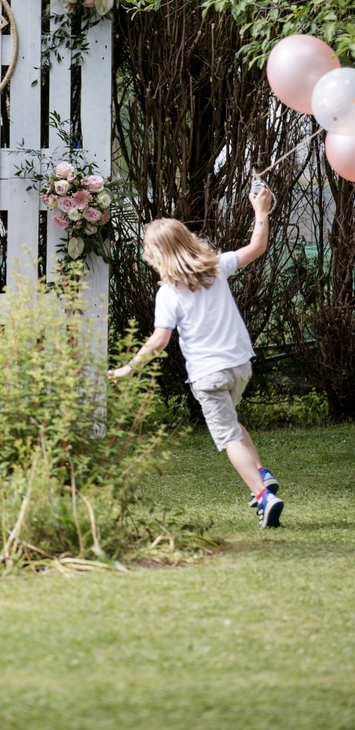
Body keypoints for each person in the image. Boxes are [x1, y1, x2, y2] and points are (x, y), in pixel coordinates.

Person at [109, 187, 284, 528]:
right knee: (230, 422)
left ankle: (263, 495)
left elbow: (159, 341)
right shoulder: (217, 268)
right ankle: (261, 472)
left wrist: (131, 366)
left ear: (156, 255)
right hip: (239, 366)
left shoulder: (169, 293)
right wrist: (260, 209)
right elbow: (257, 247)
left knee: (228, 437)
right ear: (188, 241)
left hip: (208, 375)